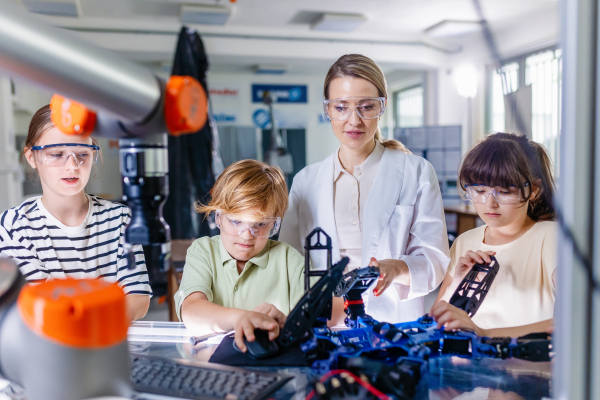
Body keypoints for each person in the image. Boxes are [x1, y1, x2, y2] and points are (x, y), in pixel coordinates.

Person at [279, 54, 450, 323]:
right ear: (328, 110)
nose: (354, 120)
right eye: (341, 107)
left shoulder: (416, 172)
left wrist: (398, 268)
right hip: (325, 323)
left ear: (382, 107)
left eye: (367, 106)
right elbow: (287, 261)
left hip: (394, 323)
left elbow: (435, 260)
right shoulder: (305, 181)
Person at [0, 105, 151, 320]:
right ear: (32, 158)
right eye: (57, 154)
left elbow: (137, 297)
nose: (72, 166)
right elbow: (47, 307)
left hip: (108, 345)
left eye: (82, 154)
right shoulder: (13, 225)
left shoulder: (120, 219)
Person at [430, 132, 556, 337]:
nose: (490, 203)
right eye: (479, 191)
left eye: (504, 192)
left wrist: (484, 334)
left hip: (525, 367)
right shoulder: (465, 241)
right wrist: (456, 284)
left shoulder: (550, 237)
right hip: (466, 366)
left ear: (533, 190)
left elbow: (577, 319)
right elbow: (435, 321)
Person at [175, 159, 307, 352]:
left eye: (260, 224)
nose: (246, 235)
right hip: (216, 368)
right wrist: (242, 318)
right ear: (218, 217)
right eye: (236, 222)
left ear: (274, 224)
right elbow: (192, 310)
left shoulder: (291, 261)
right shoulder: (203, 251)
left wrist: (287, 324)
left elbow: (319, 316)